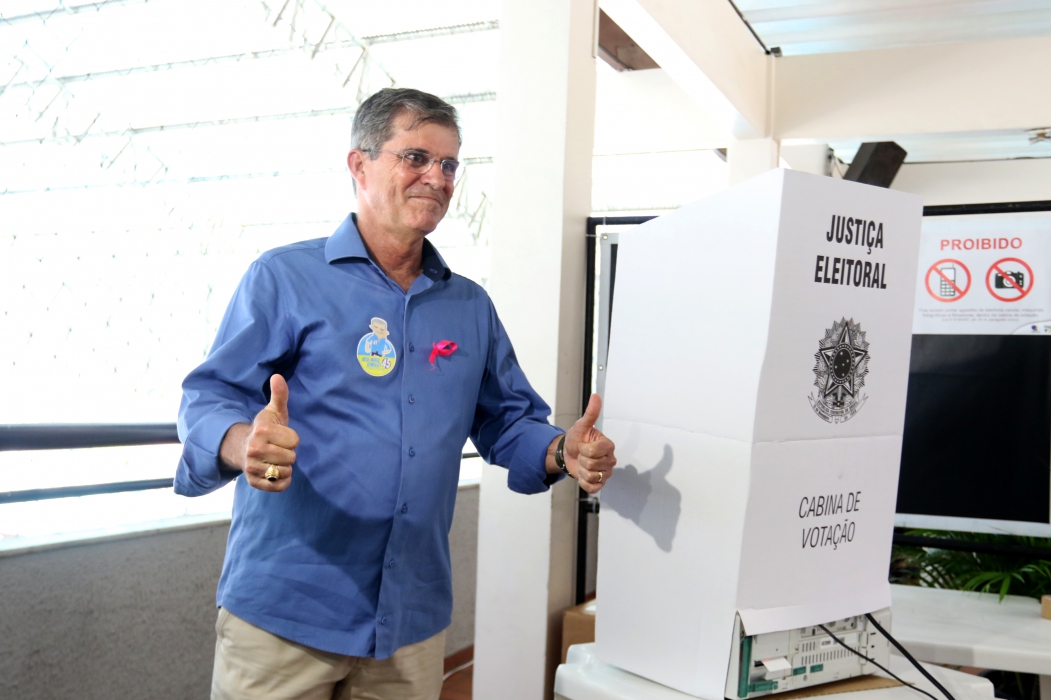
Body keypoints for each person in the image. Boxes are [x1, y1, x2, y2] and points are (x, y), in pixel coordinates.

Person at [175, 87, 617, 700]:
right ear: (359, 165)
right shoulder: (284, 279)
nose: (436, 177)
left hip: (408, 622)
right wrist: (243, 440)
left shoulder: (469, 307)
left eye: (450, 164)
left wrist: (561, 449)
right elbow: (209, 396)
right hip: (285, 614)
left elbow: (509, 422)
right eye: (415, 158)